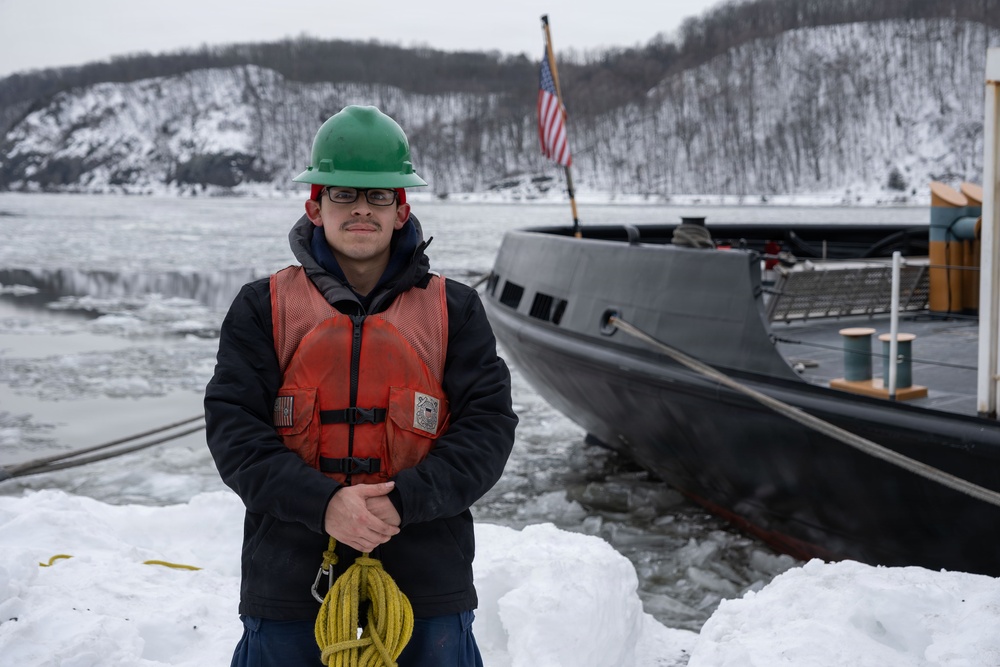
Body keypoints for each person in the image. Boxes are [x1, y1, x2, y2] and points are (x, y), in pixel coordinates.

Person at [204, 105, 518, 666]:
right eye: (344, 194)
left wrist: (404, 502)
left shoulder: (455, 310)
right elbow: (235, 432)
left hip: (427, 581)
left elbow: (487, 430)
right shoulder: (262, 308)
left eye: (378, 197)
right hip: (290, 579)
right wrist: (324, 505)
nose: (361, 210)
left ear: (402, 211)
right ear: (315, 205)